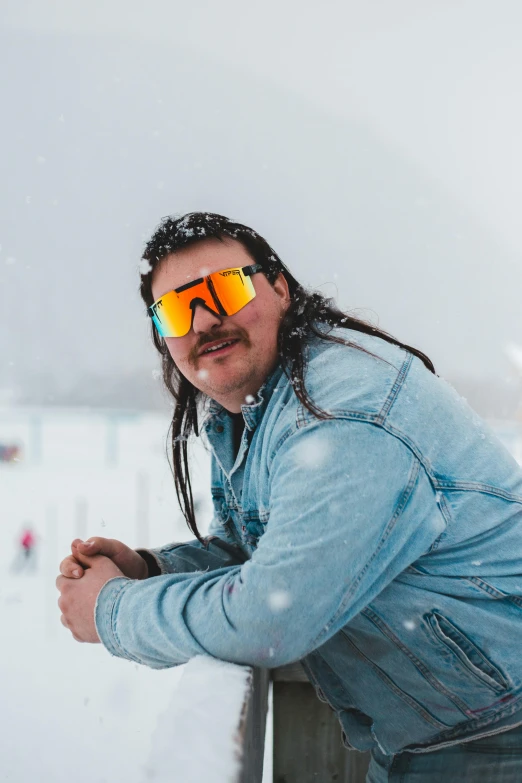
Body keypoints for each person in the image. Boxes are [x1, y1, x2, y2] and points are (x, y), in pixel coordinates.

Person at [57, 212, 522, 780]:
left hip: (498, 739)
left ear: (279, 287)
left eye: (224, 288)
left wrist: (111, 610)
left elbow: (269, 617)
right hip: (440, 735)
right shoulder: (252, 411)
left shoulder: (346, 416)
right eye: (176, 309)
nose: (203, 318)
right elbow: (259, 553)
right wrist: (152, 568)